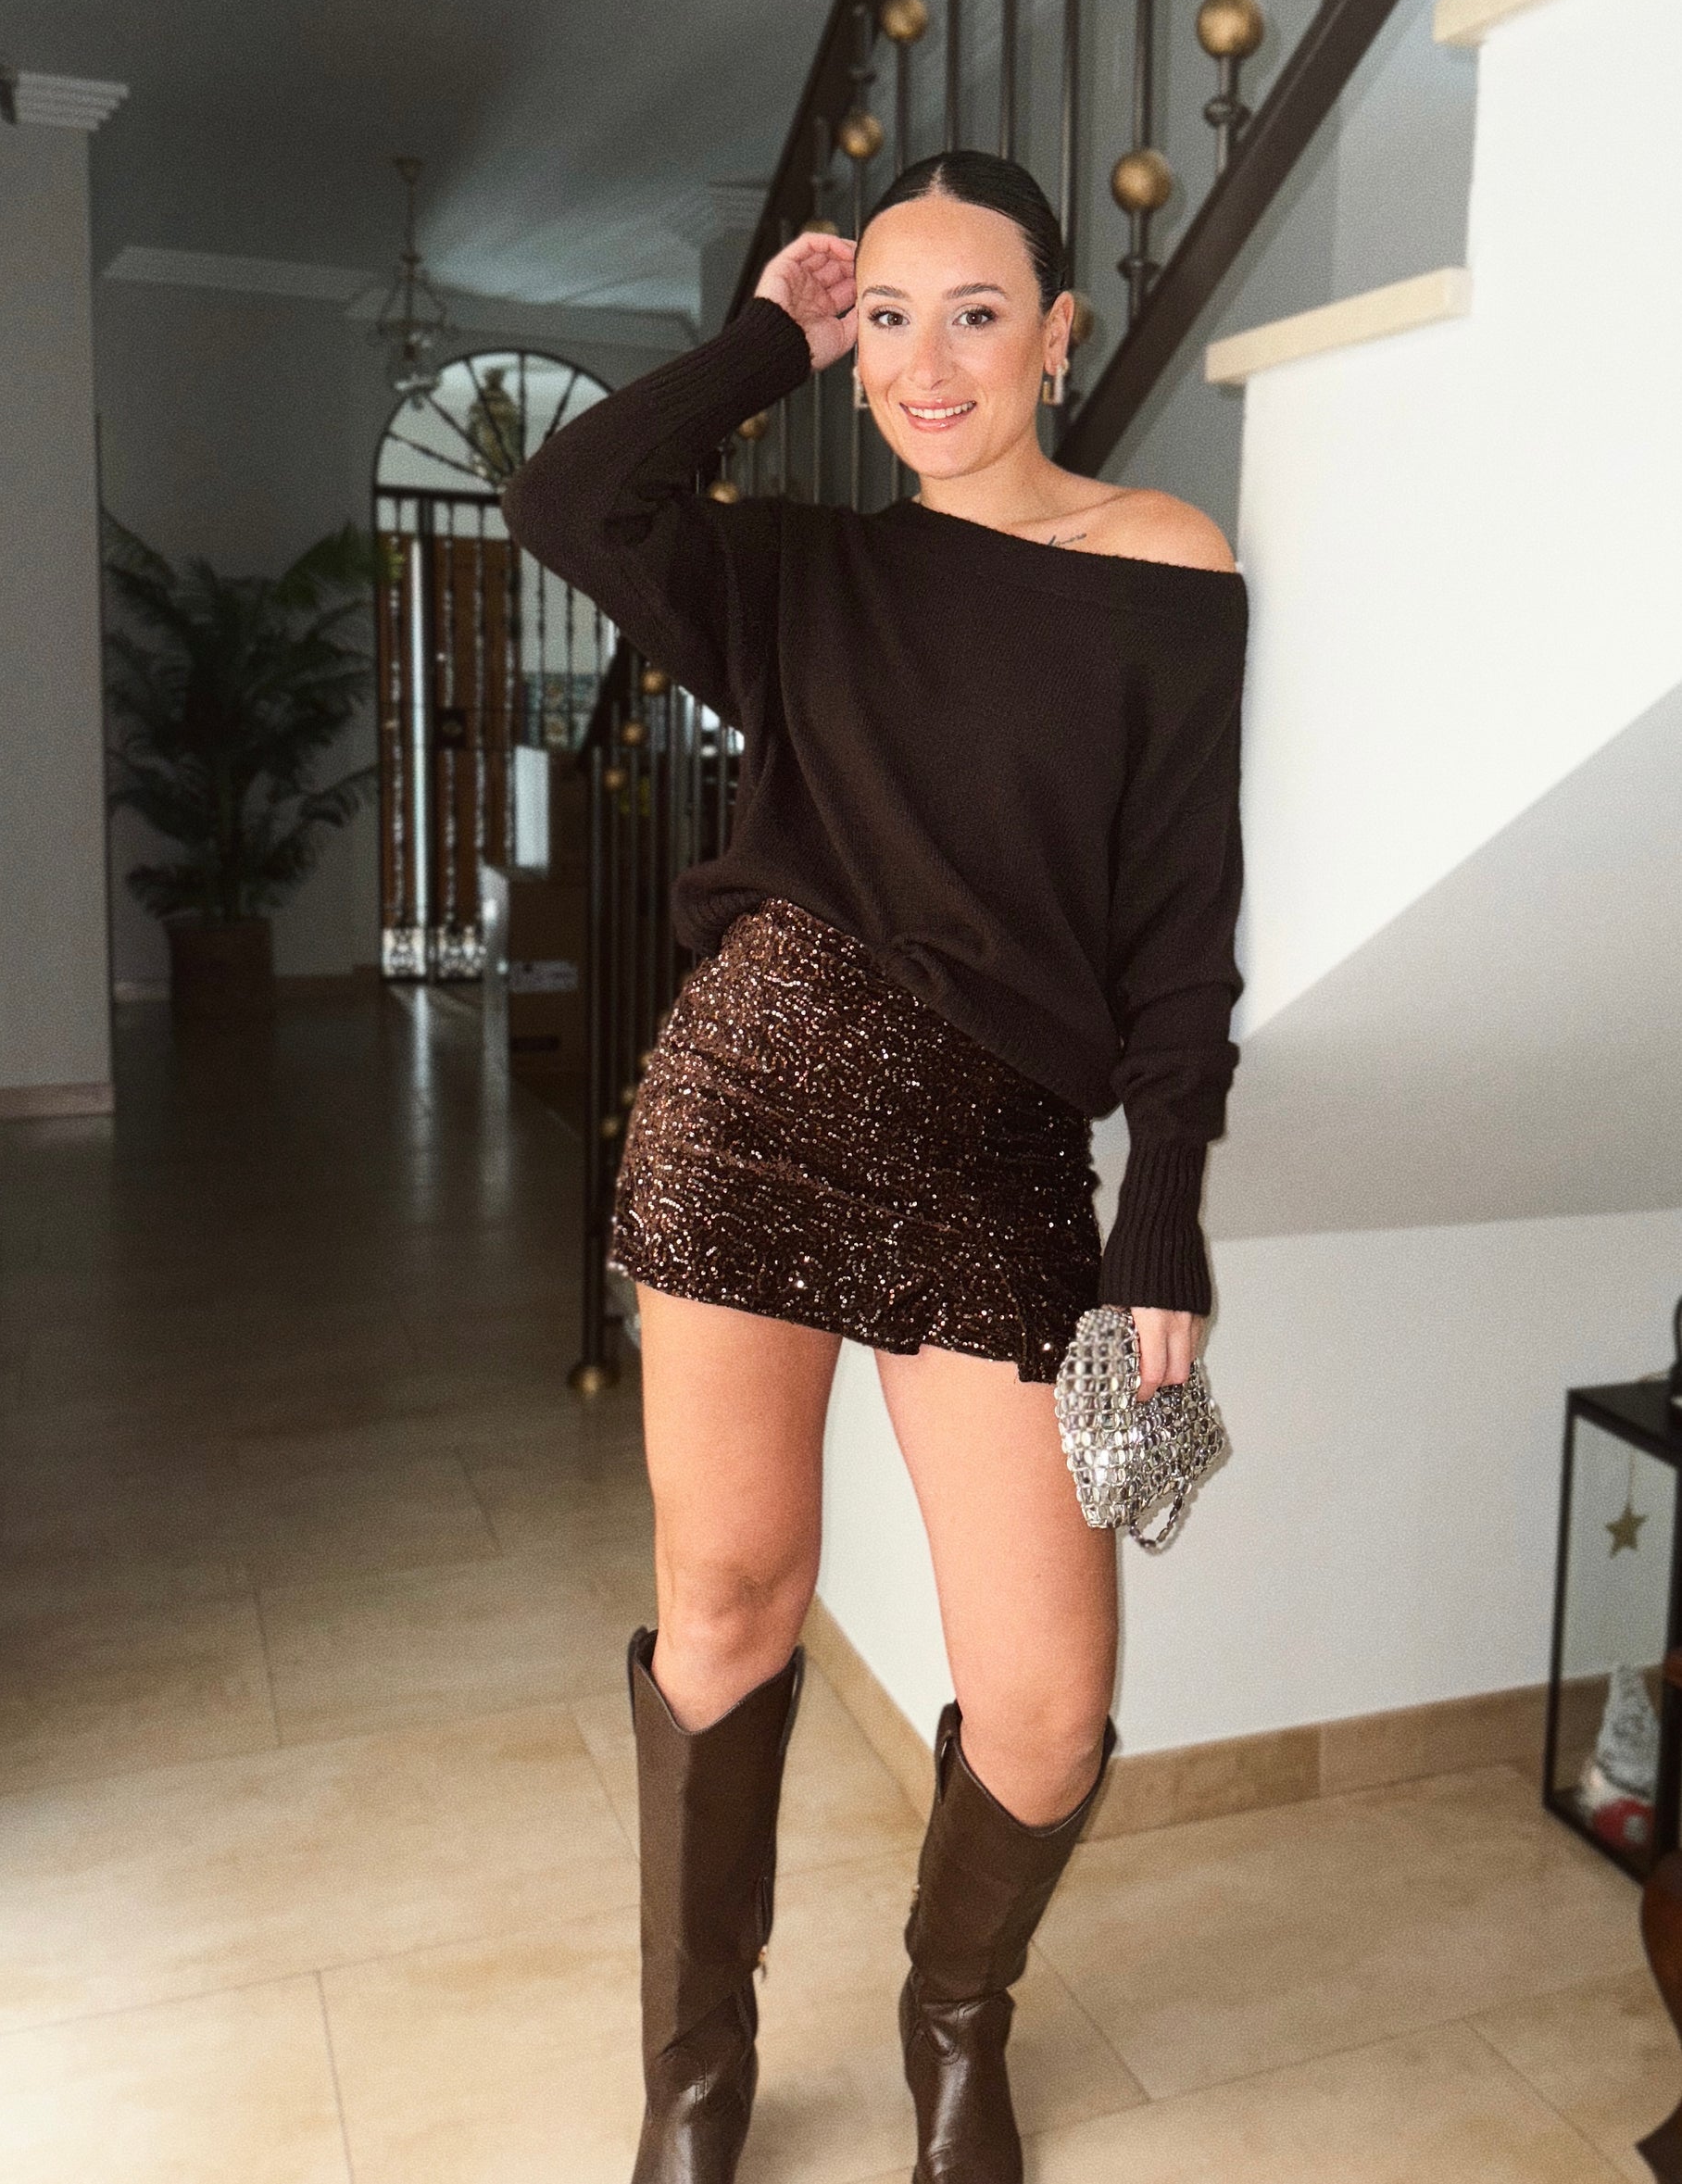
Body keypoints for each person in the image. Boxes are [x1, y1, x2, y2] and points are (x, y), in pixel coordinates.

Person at [501, 149, 1246, 2184]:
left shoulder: (1162, 564)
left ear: (1058, 332)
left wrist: (1160, 1209)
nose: (927, 362)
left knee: (1045, 1701)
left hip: (997, 1158)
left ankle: (952, 2015)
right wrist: (769, 336)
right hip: (748, 1103)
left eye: (975, 313)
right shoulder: (800, 573)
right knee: (728, 1600)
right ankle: (694, 2075)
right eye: (891, 319)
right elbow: (564, 501)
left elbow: (1180, 926)